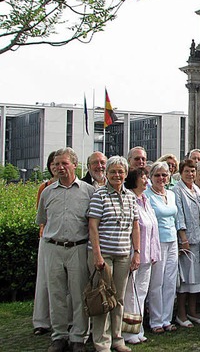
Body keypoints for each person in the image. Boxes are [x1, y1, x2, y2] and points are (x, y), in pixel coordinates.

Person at [36, 148, 94, 352]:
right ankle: (59, 336)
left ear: (74, 165)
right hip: (53, 247)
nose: (60, 167)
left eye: (64, 163)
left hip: (78, 247)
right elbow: (42, 220)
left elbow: (94, 223)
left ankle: (78, 336)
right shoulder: (47, 192)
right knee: (56, 294)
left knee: (79, 294)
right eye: (56, 164)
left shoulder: (88, 191)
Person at [87, 155, 140, 352]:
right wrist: (97, 255)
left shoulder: (130, 196)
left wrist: (137, 252)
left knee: (118, 299)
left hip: (123, 254)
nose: (117, 175)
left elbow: (135, 226)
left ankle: (117, 338)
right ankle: (101, 342)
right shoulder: (99, 195)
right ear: (107, 174)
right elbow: (93, 227)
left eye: (120, 171)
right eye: (113, 172)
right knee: (103, 297)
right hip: (104, 255)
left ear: (126, 174)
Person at [122, 168, 160, 345]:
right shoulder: (129, 199)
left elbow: (153, 228)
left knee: (141, 294)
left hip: (147, 255)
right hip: (134, 254)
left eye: (146, 177)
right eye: (143, 178)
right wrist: (134, 253)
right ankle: (128, 332)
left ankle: (138, 329)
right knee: (130, 294)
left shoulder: (146, 200)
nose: (146, 180)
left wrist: (154, 252)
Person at [174, 159, 200, 327]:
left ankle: (193, 312)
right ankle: (181, 314)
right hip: (187, 241)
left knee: (196, 279)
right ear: (181, 173)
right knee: (185, 280)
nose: (190, 174)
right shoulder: (177, 190)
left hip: (199, 239)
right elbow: (179, 215)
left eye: (193, 171)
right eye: (187, 171)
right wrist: (183, 239)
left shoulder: (195, 189)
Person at [145, 162, 179, 334]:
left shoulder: (172, 194)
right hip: (156, 241)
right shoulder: (146, 195)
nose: (161, 178)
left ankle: (167, 318)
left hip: (172, 240)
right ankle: (156, 320)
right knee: (156, 282)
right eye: (157, 175)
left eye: (164, 175)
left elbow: (175, 218)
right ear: (151, 177)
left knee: (170, 281)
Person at [33, 151, 57, 337]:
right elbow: (41, 216)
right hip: (48, 238)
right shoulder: (45, 188)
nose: (58, 168)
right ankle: (41, 321)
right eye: (54, 164)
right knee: (44, 281)